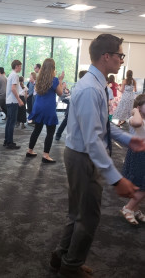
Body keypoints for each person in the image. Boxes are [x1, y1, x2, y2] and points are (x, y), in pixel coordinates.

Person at [51, 34, 145, 278]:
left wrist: (127, 139)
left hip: (80, 154)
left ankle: (62, 255)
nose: (122, 61)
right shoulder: (92, 88)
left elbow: (102, 124)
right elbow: (93, 140)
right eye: (120, 55)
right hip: (83, 157)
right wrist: (117, 178)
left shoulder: (95, 84)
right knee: (88, 218)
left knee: (78, 213)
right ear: (107, 57)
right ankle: (70, 267)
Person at [26, 58, 63, 162]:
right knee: (50, 131)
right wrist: (60, 80)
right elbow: (60, 93)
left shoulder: (39, 79)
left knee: (37, 129)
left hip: (38, 106)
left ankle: (30, 150)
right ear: (53, 68)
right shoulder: (54, 80)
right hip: (48, 108)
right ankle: (45, 155)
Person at [120, 94, 145, 225]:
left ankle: (135, 208)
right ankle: (128, 208)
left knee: (141, 185)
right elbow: (137, 122)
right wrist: (135, 111)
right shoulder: (133, 119)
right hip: (139, 155)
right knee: (142, 185)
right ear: (139, 107)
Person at [55, 70, 86, 141]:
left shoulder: (81, 85)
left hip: (78, 105)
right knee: (67, 120)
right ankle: (58, 134)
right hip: (74, 105)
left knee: (71, 121)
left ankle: (59, 134)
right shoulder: (79, 85)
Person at [4, 60, 24, 149]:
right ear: (16, 66)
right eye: (20, 66)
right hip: (13, 101)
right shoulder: (15, 75)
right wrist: (19, 99)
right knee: (12, 122)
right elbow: (13, 88)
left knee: (9, 122)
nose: (21, 68)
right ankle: (10, 143)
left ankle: (7, 141)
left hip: (9, 100)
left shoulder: (10, 74)